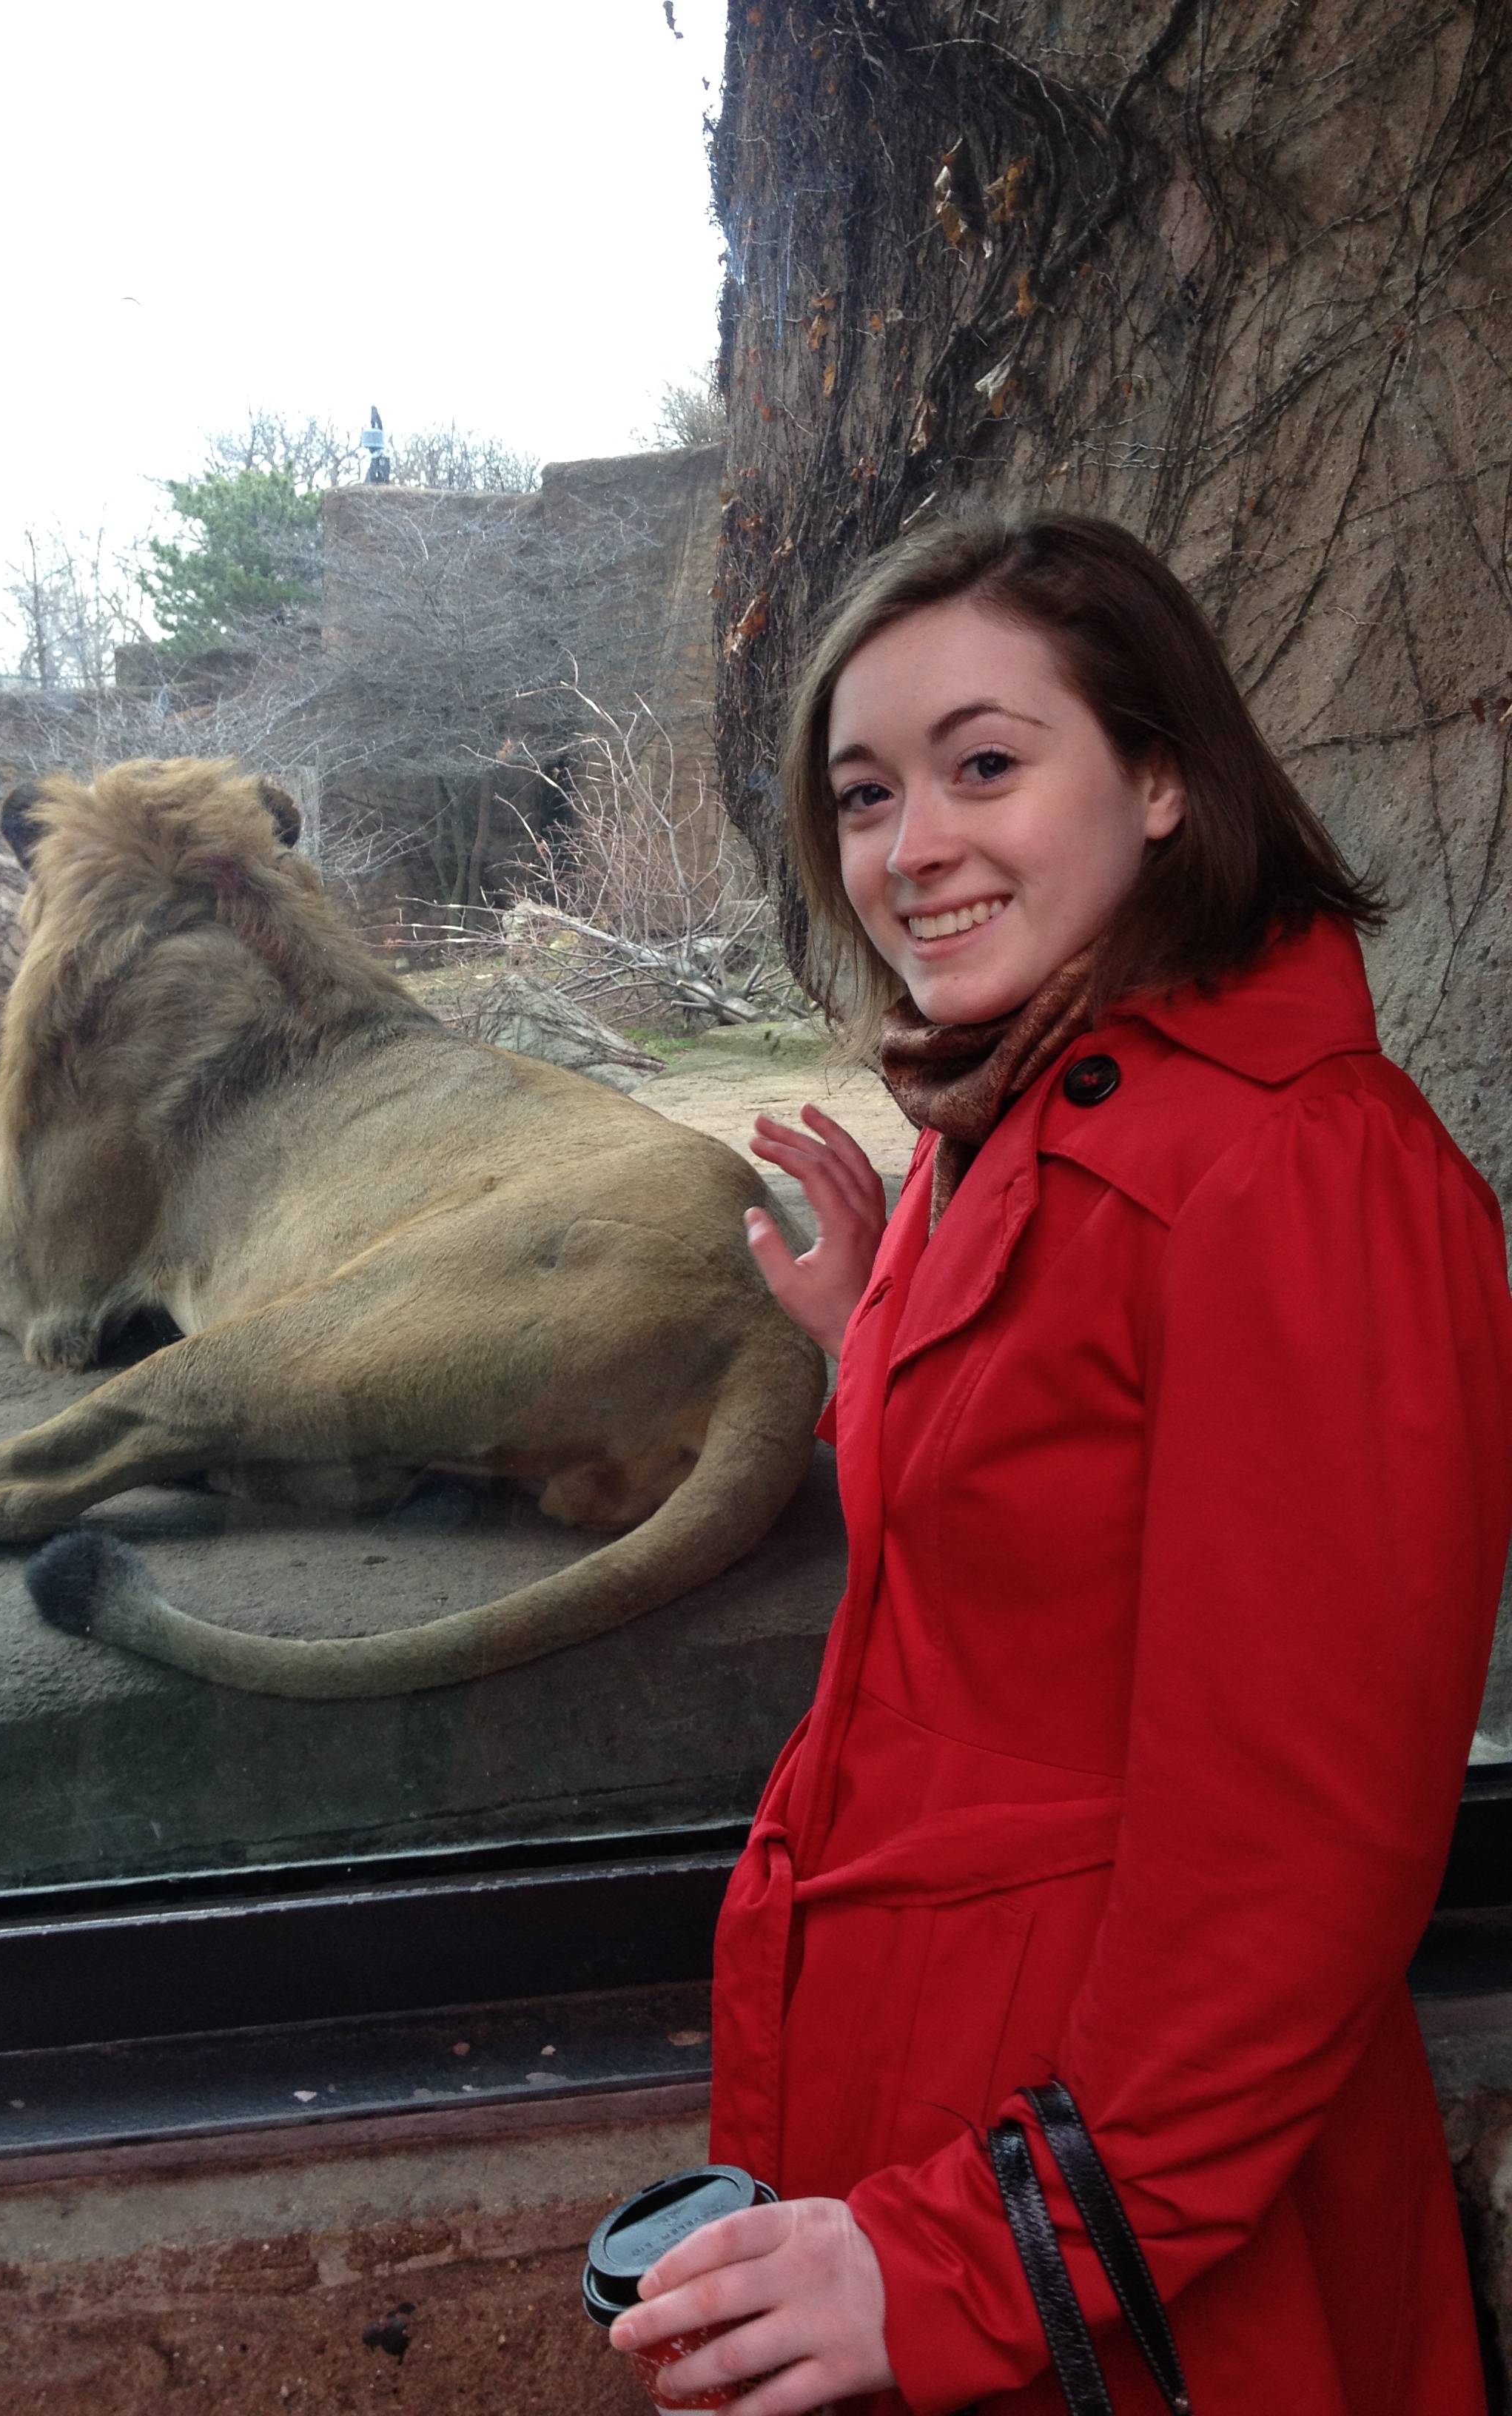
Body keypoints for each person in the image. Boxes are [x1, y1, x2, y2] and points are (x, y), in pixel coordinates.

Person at [606, 511, 1512, 2415]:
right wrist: (875, 1347)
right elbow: (1045, 1542)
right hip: (942, 2111)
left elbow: (1296, 1858)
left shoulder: (1295, 1172)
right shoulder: (1032, 1099)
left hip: (1114, 2209)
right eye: (866, 793)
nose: (908, 848)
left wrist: (973, 2256)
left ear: (1164, 778)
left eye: (984, 766)